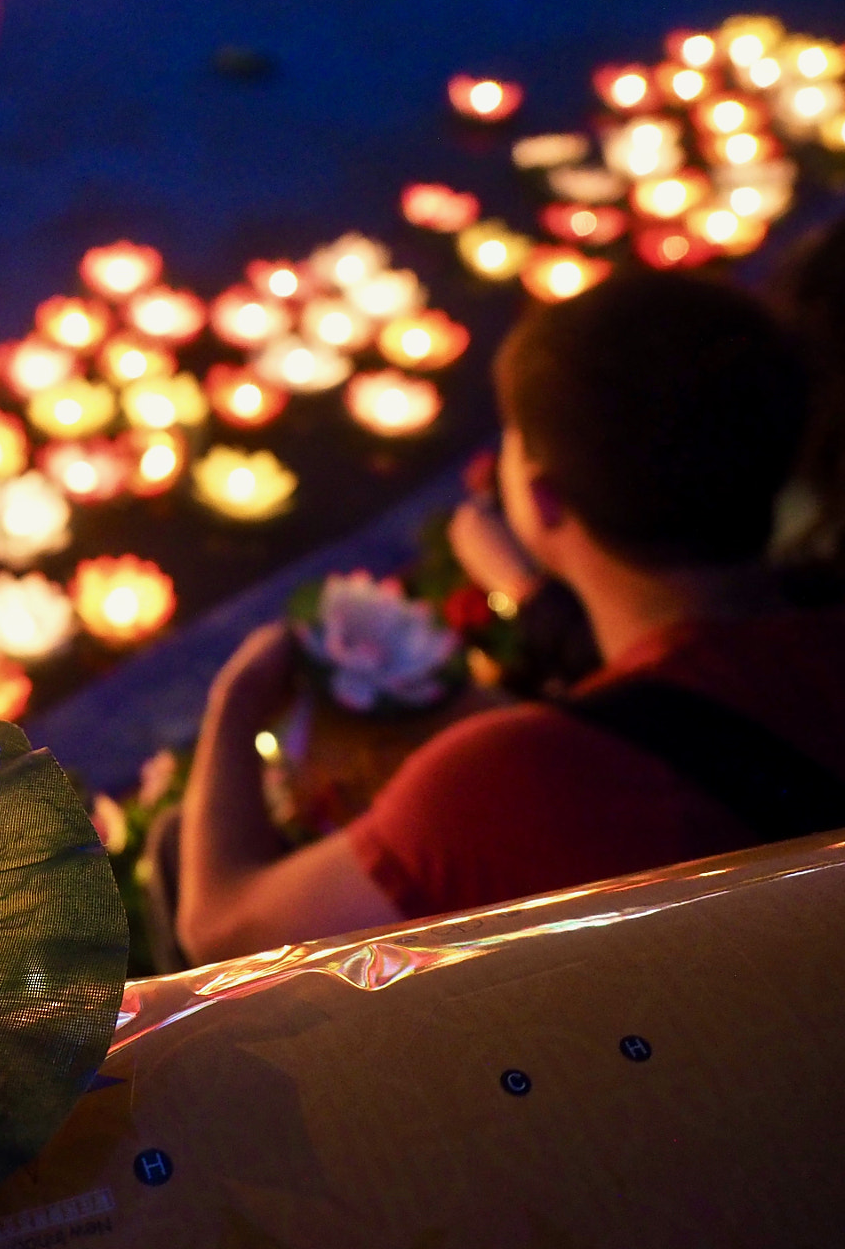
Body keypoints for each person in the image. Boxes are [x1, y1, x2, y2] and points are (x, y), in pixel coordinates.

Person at [167, 272, 845, 966]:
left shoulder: (505, 783)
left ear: (544, 497)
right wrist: (528, 595)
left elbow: (223, 929)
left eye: (515, 439)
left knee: (172, 845)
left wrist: (239, 696)